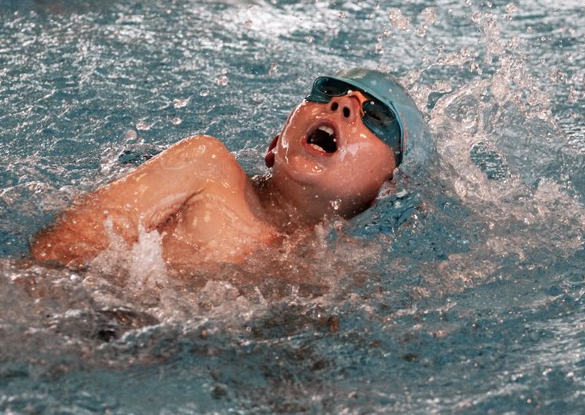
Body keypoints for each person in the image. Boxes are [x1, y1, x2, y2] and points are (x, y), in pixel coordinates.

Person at [30, 68, 428, 274]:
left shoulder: (334, 273)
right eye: (328, 91)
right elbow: (60, 249)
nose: (342, 104)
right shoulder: (205, 168)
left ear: (384, 191)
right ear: (275, 145)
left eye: (376, 117)